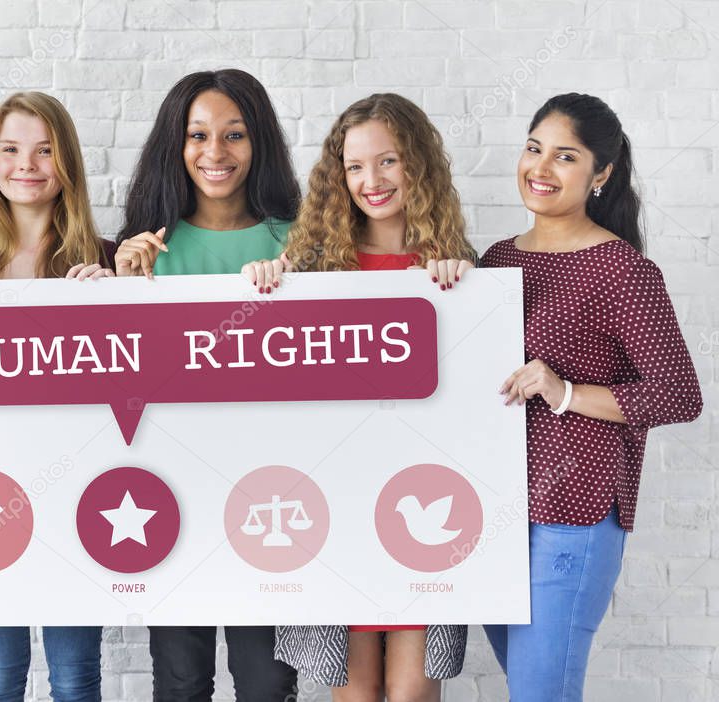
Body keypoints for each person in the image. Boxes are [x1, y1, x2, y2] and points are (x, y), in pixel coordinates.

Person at [472, 93, 703, 701]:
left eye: (565, 157)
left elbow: (679, 393)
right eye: (533, 148)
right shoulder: (495, 261)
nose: (540, 168)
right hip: (497, 513)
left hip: (573, 514)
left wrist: (565, 390)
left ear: (601, 174)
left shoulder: (622, 270)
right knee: (531, 687)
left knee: (541, 693)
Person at [250, 93, 470, 702]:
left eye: (388, 162)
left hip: (424, 502)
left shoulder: (452, 270)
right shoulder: (312, 271)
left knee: (412, 692)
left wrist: (460, 298)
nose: (370, 181)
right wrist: (269, 282)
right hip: (337, 509)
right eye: (354, 167)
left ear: (418, 165)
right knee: (355, 693)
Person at [114, 69, 300, 701]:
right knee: (181, 682)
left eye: (235, 135)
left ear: (260, 144)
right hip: (174, 499)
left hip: (270, 503)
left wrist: (298, 284)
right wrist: (118, 290)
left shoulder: (297, 243)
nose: (215, 153)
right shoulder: (146, 250)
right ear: (177, 143)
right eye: (198, 135)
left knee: (267, 684)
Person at [0, 91, 112, 702]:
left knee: (74, 678)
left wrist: (116, 296)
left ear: (66, 162)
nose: (27, 165)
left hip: (76, 499)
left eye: (45, 150)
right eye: (11, 150)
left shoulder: (105, 261)